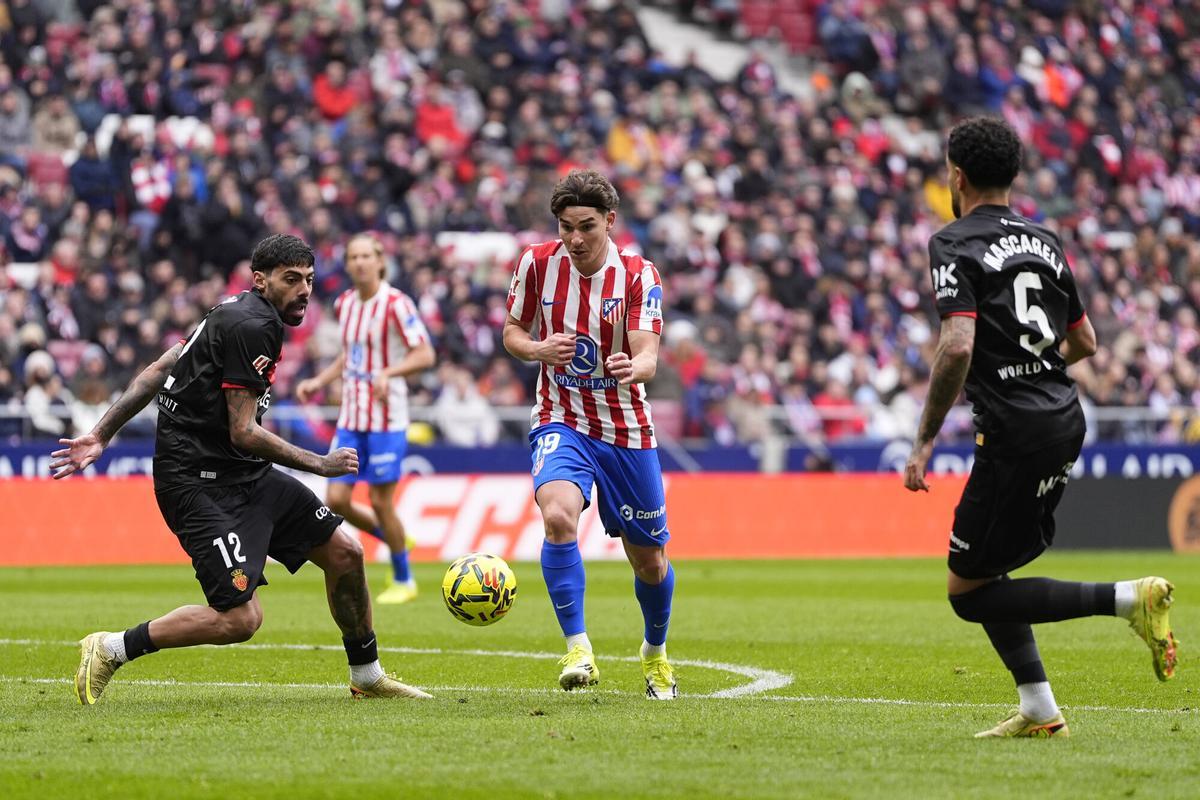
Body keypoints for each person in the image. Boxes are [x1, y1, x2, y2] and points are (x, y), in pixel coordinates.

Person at [52, 234, 430, 705]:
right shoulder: (253, 326)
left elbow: (158, 369)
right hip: (196, 483)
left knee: (345, 554)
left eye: (309, 280)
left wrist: (101, 433)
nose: (304, 290)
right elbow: (244, 431)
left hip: (242, 473)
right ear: (261, 280)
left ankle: (368, 676)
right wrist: (321, 464)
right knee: (240, 620)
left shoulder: (232, 310)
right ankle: (110, 648)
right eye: (291, 280)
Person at [903, 117, 1177, 738]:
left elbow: (956, 348)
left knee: (967, 592)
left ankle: (1129, 600)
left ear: (957, 175)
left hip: (1014, 431)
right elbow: (1084, 340)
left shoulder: (953, 242)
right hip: (1062, 416)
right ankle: (1038, 708)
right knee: (987, 569)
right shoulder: (1044, 240)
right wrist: (1034, 368)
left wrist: (922, 440)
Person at [502, 169, 677, 700]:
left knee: (649, 561)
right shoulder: (535, 263)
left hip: (626, 427)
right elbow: (513, 332)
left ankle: (655, 653)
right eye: (565, 227)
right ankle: (578, 647)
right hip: (562, 416)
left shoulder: (639, 275)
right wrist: (537, 350)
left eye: (586, 227)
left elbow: (648, 349)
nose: (574, 239)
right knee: (557, 515)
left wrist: (636, 366)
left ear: (610, 222)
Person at [296, 233, 435, 604]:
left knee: (379, 500)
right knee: (337, 499)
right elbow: (350, 354)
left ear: (379, 261)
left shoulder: (396, 304)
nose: (359, 262)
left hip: (387, 418)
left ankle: (404, 578)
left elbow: (424, 354)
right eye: (352, 256)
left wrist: (389, 373)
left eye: (365, 256)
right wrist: (320, 380)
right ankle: (396, 538)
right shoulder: (345, 304)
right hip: (351, 415)